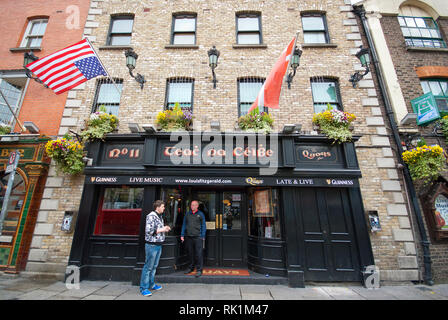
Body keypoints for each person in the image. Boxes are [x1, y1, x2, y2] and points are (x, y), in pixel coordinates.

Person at [139, 200, 171, 297]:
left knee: (154, 267)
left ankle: (151, 284)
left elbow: (157, 229)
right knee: (148, 267)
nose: (164, 208)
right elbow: (149, 231)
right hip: (152, 245)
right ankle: (143, 288)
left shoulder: (159, 216)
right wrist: (163, 229)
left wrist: (164, 228)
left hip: (158, 244)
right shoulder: (151, 216)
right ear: (157, 207)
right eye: (162, 206)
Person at [181, 200, 206, 277]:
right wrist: (182, 235)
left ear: (197, 206)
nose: (193, 206)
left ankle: (199, 270)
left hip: (198, 237)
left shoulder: (201, 214)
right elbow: (184, 224)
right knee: (190, 253)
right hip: (189, 237)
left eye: (194, 205)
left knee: (198, 254)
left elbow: (203, 226)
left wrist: (203, 236)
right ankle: (190, 268)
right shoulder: (187, 214)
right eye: (192, 205)